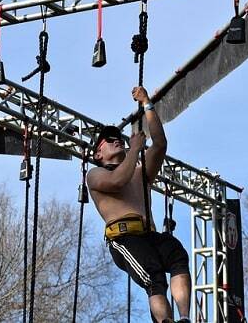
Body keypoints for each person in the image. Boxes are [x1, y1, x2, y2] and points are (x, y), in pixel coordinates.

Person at [87, 86, 191, 323]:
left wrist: (147, 104)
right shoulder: (95, 174)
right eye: (109, 140)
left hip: (148, 235)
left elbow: (160, 145)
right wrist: (134, 149)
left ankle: (184, 317)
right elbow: (117, 181)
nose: (116, 141)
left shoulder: (139, 172)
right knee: (154, 277)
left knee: (177, 255)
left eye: (118, 139)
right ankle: (167, 322)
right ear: (97, 154)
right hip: (123, 239)